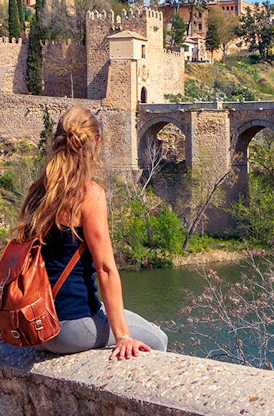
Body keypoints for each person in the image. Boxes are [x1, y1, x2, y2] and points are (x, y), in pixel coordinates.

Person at [11, 106, 168, 360]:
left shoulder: (39, 191)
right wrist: (123, 337)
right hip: (69, 328)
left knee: (118, 314)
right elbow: (105, 268)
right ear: (97, 142)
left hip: (34, 327)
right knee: (157, 339)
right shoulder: (88, 194)